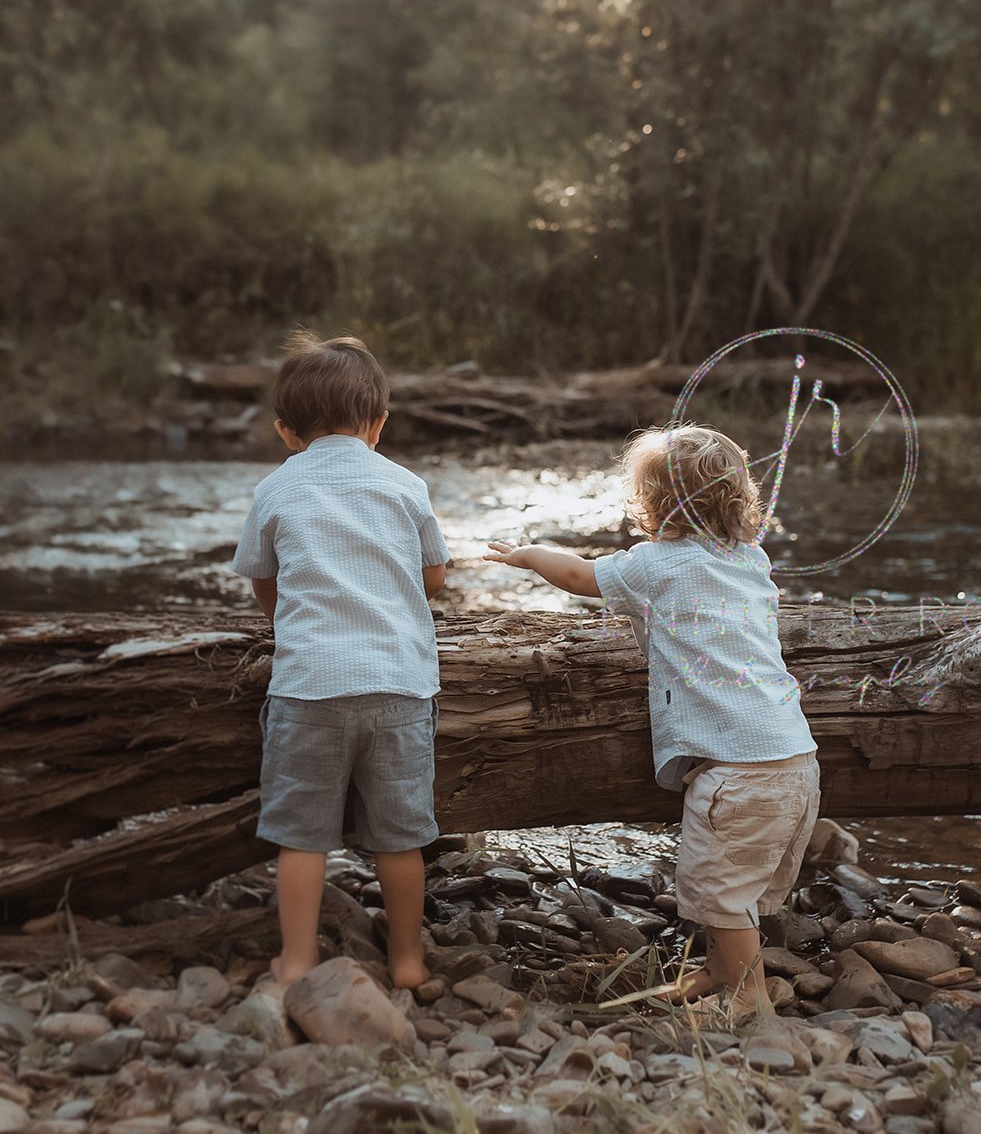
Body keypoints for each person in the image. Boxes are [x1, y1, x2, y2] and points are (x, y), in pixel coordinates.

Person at [483, 423, 820, 1020]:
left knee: (722, 894)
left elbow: (580, 578)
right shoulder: (750, 558)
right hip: (795, 760)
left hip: (738, 773)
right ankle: (721, 969)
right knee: (737, 887)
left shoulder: (656, 565)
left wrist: (527, 554)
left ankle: (748, 999)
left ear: (654, 506)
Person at [232, 331, 450, 988]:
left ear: (285, 430)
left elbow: (261, 580)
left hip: (309, 689)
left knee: (301, 836)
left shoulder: (276, 488)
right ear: (378, 424)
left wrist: (283, 617)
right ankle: (407, 961)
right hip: (400, 687)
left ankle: (297, 960)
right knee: (401, 835)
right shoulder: (405, 486)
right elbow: (434, 575)